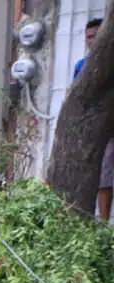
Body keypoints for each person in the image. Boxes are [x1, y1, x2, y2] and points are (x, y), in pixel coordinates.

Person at [75, 17, 114, 223]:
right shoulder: (81, 67)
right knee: (103, 176)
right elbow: (75, 99)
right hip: (98, 130)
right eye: (89, 36)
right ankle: (103, 220)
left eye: (96, 35)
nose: (92, 40)